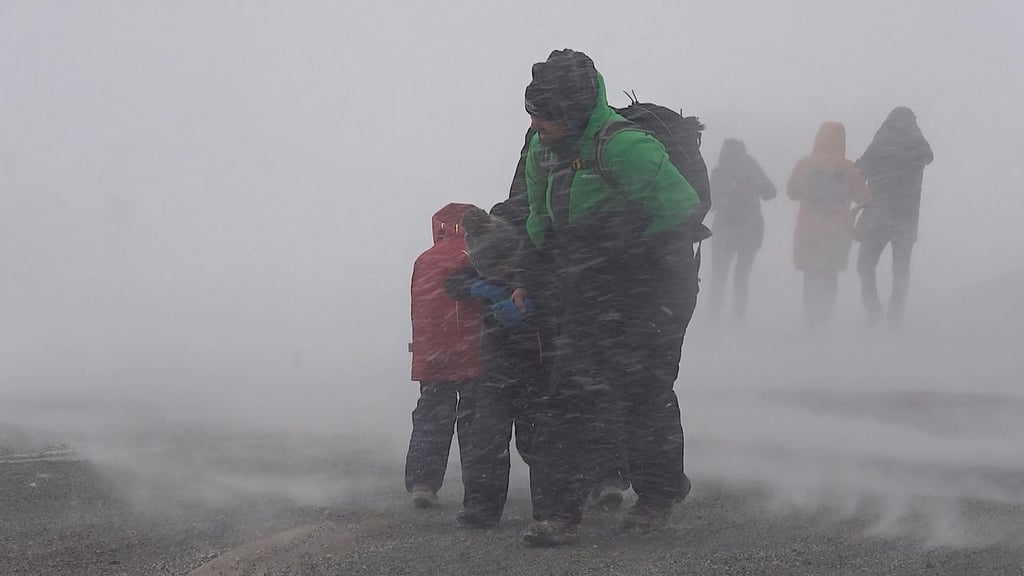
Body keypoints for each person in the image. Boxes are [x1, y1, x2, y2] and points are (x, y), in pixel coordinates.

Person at [513, 49, 702, 546]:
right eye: (532, 115)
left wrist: (623, 245)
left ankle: (658, 497)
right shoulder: (542, 149)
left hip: (654, 282)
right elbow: (537, 216)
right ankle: (557, 513)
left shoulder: (625, 147)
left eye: (546, 117)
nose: (537, 125)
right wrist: (530, 273)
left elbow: (682, 209)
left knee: (644, 390)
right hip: (587, 282)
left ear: (574, 110)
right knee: (568, 393)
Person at [446, 205, 547, 529]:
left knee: (536, 438)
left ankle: (553, 506)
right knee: (490, 436)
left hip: (534, 361)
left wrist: (531, 309)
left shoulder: (534, 270)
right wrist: (481, 288)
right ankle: (481, 508)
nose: (494, 274)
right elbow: (454, 281)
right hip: (499, 362)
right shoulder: (483, 264)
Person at [405, 203, 483, 508]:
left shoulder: (424, 260)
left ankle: (422, 483)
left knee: (432, 417)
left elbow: (420, 310)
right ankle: (476, 488)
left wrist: (425, 350)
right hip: (474, 350)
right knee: (474, 421)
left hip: (433, 352)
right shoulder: (478, 255)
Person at [854, 107, 933, 329]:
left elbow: (862, 168)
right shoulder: (916, 142)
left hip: (879, 215)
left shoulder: (882, 139)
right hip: (906, 217)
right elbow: (929, 157)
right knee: (900, 270)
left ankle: (873, 310)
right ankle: (895, 317)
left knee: (865, 264)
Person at [786, 122, 870, 330]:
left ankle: (811, 320)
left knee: (810, 274)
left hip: (809, 230)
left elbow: (791, 192)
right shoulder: (847, 168)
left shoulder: (805, 165)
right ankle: (824, 318)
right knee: (829, 275)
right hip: (836, 232)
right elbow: (864, 197)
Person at [708, 138, 777, 324]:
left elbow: (711, 203)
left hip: (725, 229)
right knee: (741, 277)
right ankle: (737, 319)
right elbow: (771, 192)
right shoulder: (752, 168)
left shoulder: (719, 172)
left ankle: (712, 318)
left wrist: (726, 198)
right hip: (751, 229)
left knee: (719, 277)